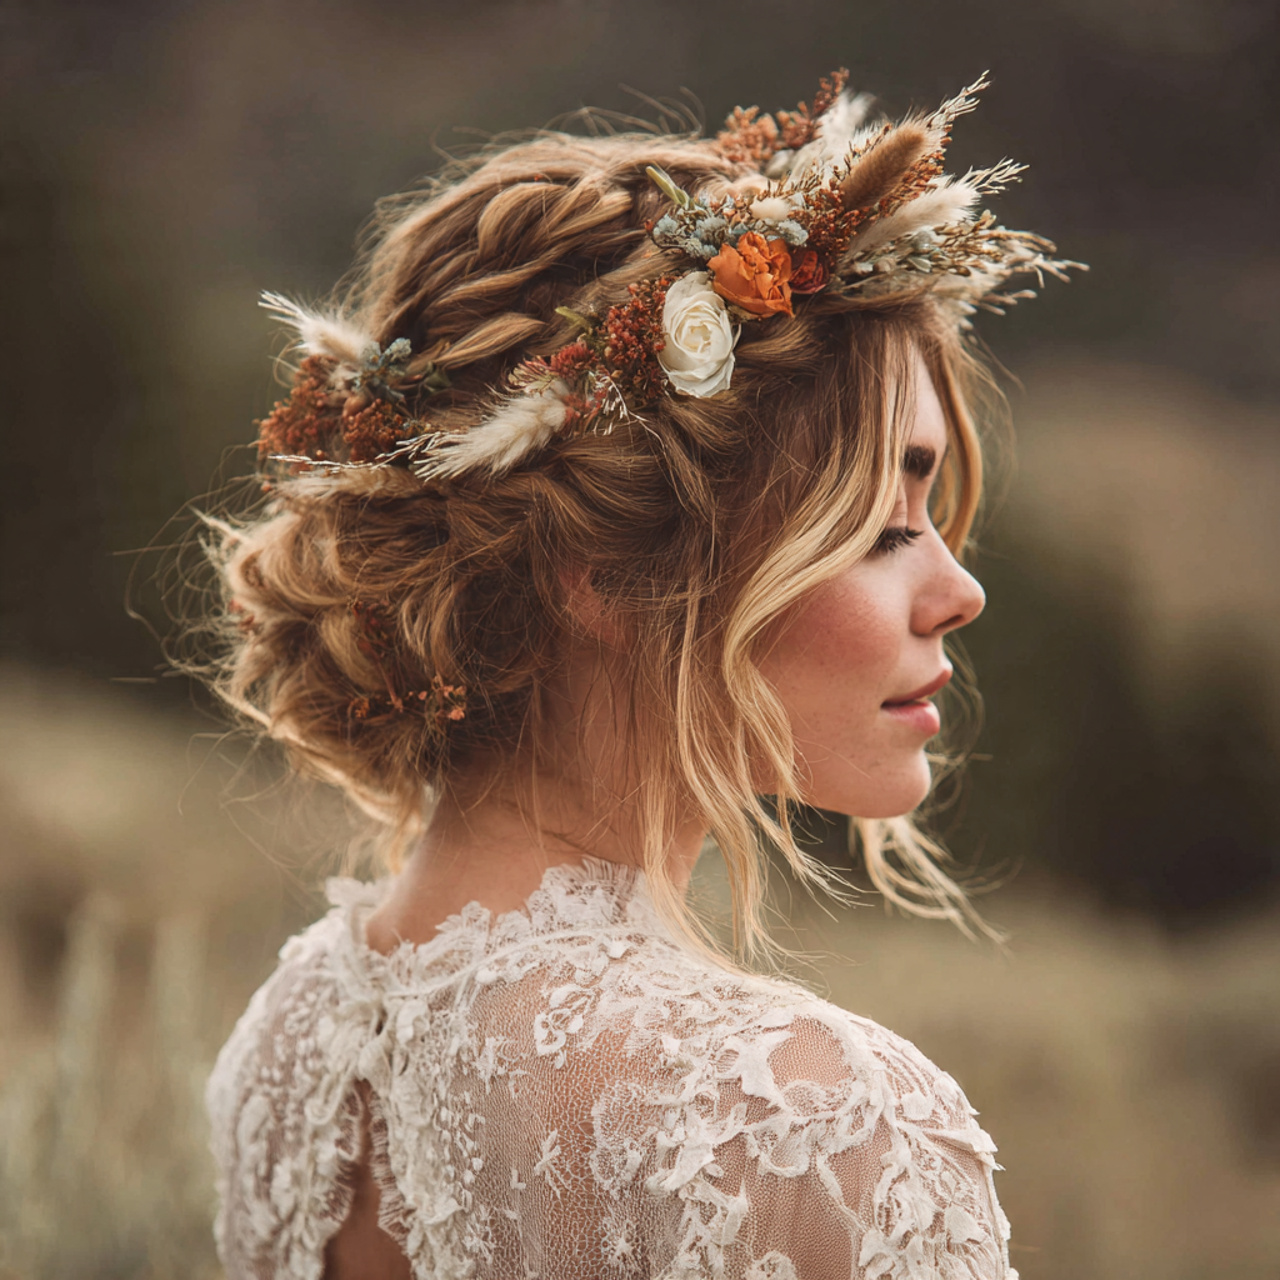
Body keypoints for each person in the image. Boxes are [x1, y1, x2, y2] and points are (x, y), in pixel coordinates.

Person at [201, 72, 1078, 1280]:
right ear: (605, 573)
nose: (956, 588)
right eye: (879, 525)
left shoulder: (284, 1054)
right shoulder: (810, 1129)